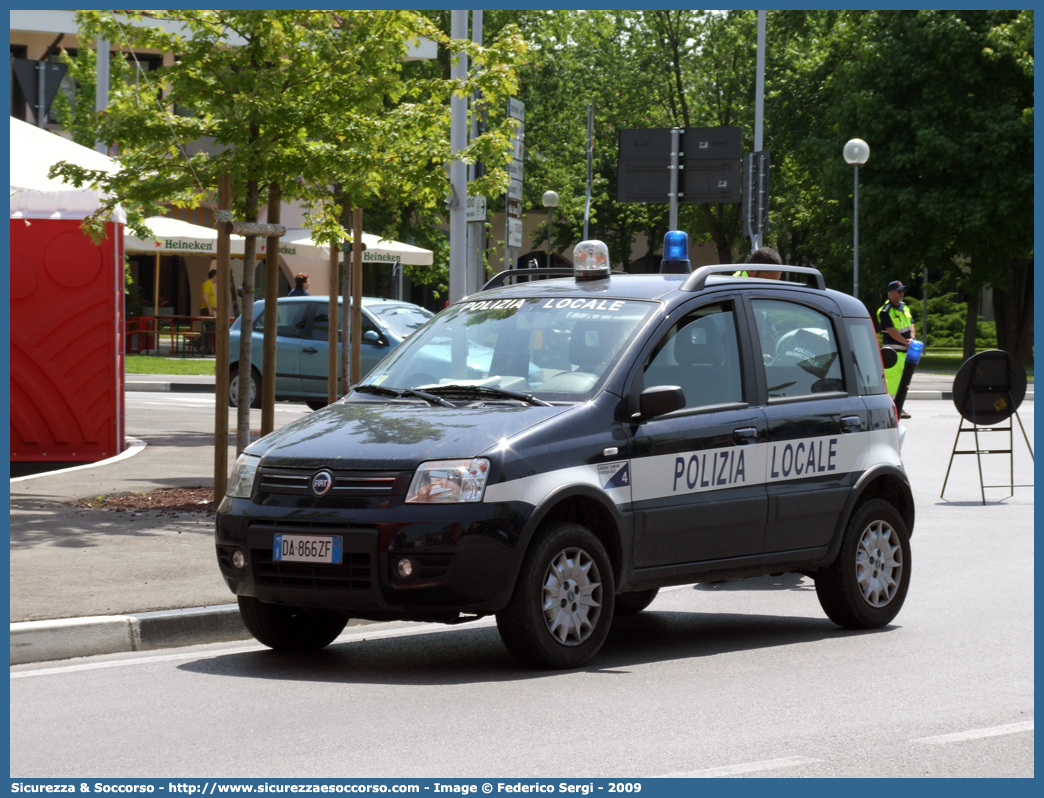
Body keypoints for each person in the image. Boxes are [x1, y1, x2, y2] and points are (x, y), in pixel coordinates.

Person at [877, 280, 917, 418]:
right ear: (891, 293)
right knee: (892, 382)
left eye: (903, 291)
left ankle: (899, 407)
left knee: (903, 382)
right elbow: (890, 330)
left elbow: (911, 324)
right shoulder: (885, 311)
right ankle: (890, 409)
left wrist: (912, 338)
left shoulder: (905, 308)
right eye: (899, 291)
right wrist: (906, 342)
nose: (902, 294)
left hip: (906, 351)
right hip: (893, 354)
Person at [199, 268, 218, 355]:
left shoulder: (210, 285)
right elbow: (205, 297)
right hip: (206, 309)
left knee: (211, 329)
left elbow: (210, 299)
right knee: (211, 329)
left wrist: (215, 308)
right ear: (214, 276)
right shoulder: (207, 284)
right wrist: (209, 308)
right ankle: (198, 342)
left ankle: (208, 349)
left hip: (209, 308)